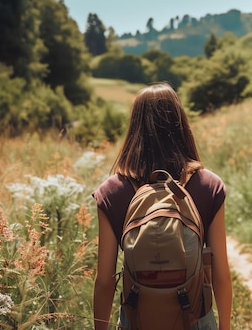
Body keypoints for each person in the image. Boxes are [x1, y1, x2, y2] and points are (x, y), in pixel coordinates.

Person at [92, 83, 232, 330]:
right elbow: (221, 271)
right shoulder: (208, 185)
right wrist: (225, 326)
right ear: (180, 124)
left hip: (138, 318)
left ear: (135, 127)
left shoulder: (112, 192)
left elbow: (104, 280)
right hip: (194, 317)